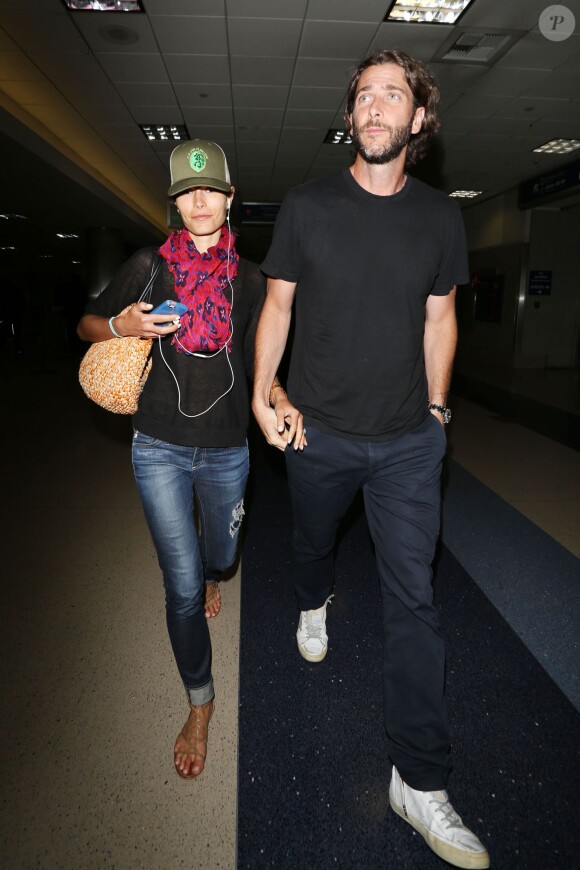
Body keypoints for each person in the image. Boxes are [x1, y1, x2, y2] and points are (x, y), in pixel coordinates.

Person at [252, 50, 489, 869]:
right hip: (317, 432)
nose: (378, 105)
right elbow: (277, 306)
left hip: (406, 445)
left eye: (395, 95)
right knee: (313, 546)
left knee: (415, 601)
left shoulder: (439, 218)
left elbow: (440, 319)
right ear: (351, 116)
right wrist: (263, 392)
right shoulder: (309, 206)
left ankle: (418, 782)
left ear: (418, 121)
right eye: (365, 95)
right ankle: (312, 597)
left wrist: (435, 411)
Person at [78, 140, 299, 779]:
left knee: (221, 561)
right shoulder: (149, 267)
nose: (198, 200)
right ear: (174, 202)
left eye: (211, 190)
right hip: (158, 446)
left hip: (229, 448)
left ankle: (210, 572)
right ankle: (199, 703)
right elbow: (87, 324)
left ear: (230, 199)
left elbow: (265, 362)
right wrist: (122, 327)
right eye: (185, 191)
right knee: (179, 587)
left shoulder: (254, 281)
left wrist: (279, 399)